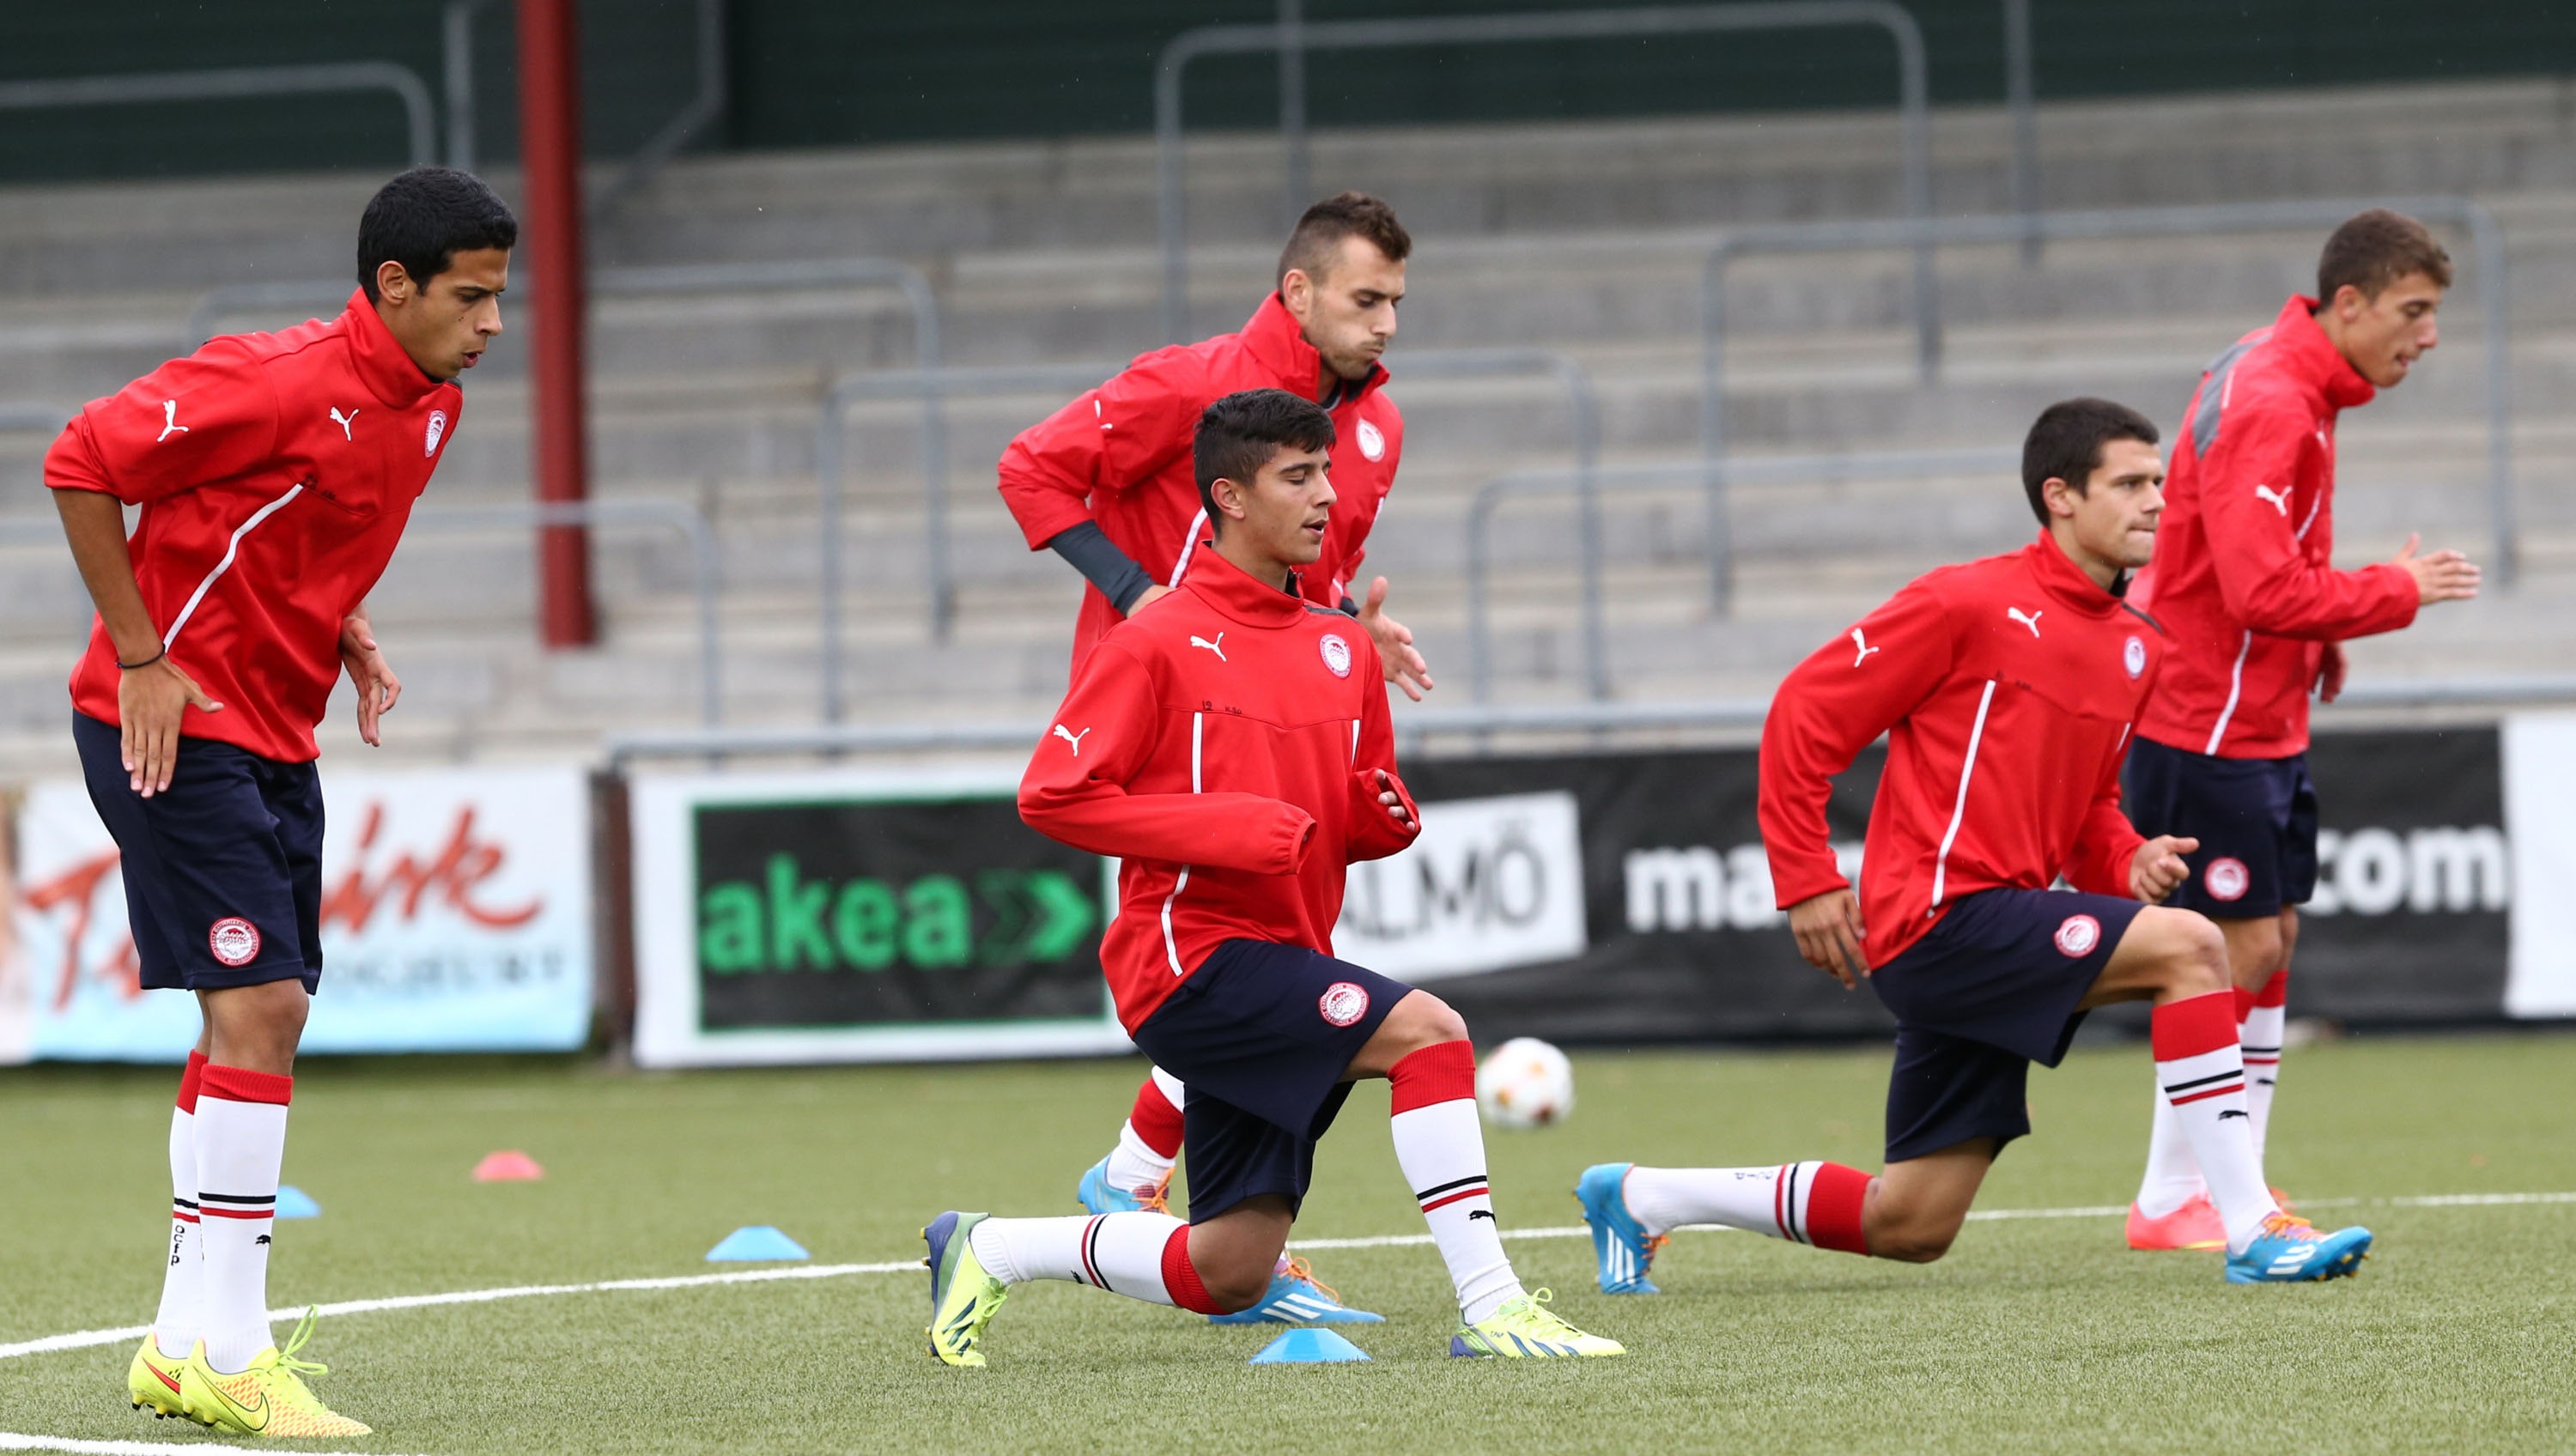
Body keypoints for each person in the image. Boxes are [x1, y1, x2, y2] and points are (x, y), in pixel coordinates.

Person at [1572, 400, 2373, 1293]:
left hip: (1999, 931)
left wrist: (2126, 860)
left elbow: (2087, 813)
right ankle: (2253, 1226)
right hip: (1940, 919)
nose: (2156, 502)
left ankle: (1642, 1196)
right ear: (2059, 496)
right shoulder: (1966, 600)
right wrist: (1805, 876)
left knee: (1912, 1220)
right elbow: (1805, 710)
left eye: (2159, 482)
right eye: (2131, 483)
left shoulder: (2140, 650)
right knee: (2195, 945)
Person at [923, 391, 1621, 1366]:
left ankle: (990, 1245)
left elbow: (1338, 816)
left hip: (1286, 956)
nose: (1328, 496)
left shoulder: (1341, 646)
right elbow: (1052, 795)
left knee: (1232, 1267)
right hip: (1186, 960)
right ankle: (1495, 1305)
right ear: (1230, 496)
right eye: (1299, 476)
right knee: (1431, 1033)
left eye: (1327, 472)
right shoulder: (1156, 639)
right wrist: (1222, 828)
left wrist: (1381, 820)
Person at [55, 167, 514, 1437]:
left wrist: (343, 624)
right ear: (392, 287)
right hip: (167, 725)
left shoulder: (432, 405)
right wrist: (145, 658)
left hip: (276, 730)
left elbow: (296, 526)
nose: (490, 325)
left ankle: (178, 1343)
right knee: (263, 1008)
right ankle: (237, 1352)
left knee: (247, 1022)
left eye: (499, 300)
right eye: (471, 299)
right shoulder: (272, 378)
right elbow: (79, 460)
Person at [994, 191, 1431, 1324]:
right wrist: (1144, 598)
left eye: (1397, 301)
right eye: (1365, 299)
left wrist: (1347, 631)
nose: (1387, 323)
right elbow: (1030, 470)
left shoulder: (1376, 426)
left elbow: (1309, 573)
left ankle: (1155, 1195)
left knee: (1278, 955)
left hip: (1282, 696)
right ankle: (1150, 1187)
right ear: (1298, 292)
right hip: (1172, 721)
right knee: (1251, 962)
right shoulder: (1191, 385)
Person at [2120, 210, 2482, 1250]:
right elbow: (2256, 582)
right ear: (2351, 303)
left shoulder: (2284, 372)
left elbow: (2263, 564)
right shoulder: (2278, 398)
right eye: (2414, 312)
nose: (2429, 335)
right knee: (2219, 943)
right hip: (2205, 716)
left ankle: (2206, 1188)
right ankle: (2184, 1197)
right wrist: (2391, 590)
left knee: (2269, 937)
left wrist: (2316, 636)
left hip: (2255, 708)